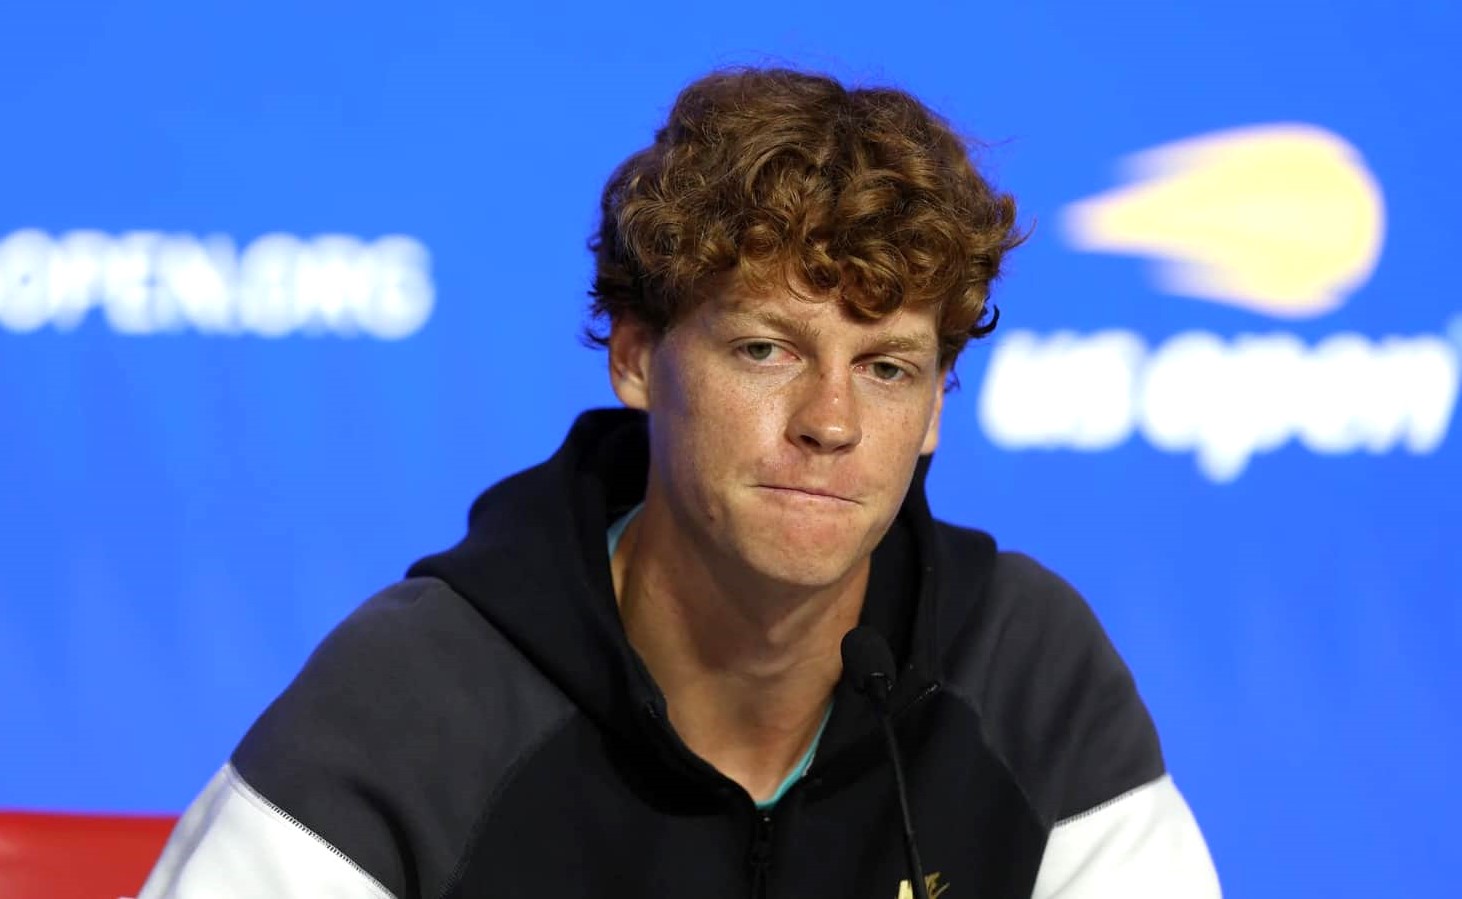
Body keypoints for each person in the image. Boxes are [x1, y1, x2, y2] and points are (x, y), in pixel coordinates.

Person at [138, 66, 1221, 899]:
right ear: (635, 357)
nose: (831, 421)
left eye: (887, 368)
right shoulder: (417, 695)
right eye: (766, 349)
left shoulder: (1025, 672)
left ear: (936, 407)